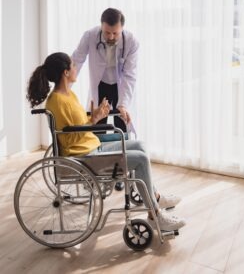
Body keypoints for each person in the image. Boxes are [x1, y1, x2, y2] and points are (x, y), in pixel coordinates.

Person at [26, 52, 186, 232]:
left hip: (92, 146)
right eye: (73, 65)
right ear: (65, 72)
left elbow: (78, 124)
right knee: (140, 159)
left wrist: (95, 116)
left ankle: (154, 198)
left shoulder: (69, 95)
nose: (76, 68)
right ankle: (154, 213)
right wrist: (93, 121)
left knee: (140, 145)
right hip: (84, 156)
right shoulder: (57, 101)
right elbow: (68, 137)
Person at [72, 8, 138, 191]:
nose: (110, 36)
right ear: (101, 26)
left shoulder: (131, 41)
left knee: (121, 128)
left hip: (120, 85)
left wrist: (123, 104)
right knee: (98, 130)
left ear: (122, 28)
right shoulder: (90, 36)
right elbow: (76, 60)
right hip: (100, 85)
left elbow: (130, 75)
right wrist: (64, 89)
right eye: (107, 32)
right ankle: (98, 173)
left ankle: (118, 173)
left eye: (115, 33)